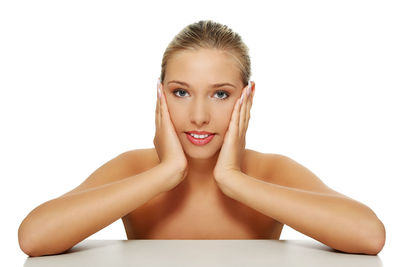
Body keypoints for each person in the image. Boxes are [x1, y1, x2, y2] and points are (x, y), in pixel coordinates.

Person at [18, 20, 385, 257]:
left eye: (220, 94)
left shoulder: (270, 170)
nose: (198, 116)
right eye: (181, 92)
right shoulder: (135, 167)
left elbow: (369, 236)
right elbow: (34, 238)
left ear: (248, 97)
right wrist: (166, 173)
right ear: (160, 95)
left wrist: (233, 180)